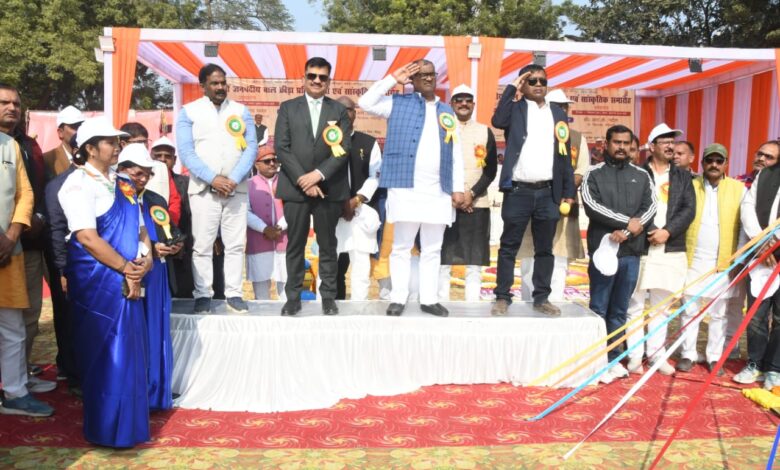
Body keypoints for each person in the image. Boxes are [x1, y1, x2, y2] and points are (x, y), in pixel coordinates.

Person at [58, 117, 153, 447]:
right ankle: (105, 428)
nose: (117, 146)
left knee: (130, 351)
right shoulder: (76, 185)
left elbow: (141, 228)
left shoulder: (124, 183)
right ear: (90, 148)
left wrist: (146, 259)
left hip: (129, 277)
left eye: (118, 141)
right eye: (110, 141)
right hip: (99, 281)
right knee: (105, 352)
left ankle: (130, 427)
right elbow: (87, 237)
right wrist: (126, 268)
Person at [359, 60, 464, 317]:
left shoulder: (446, 111)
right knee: (401, 247)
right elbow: (365, 102)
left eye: (431, 74)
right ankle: (398, 297)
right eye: (421, 75)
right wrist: (392, 79)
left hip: (438, 191)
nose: (427, 79)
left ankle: (429, 299)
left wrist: (458, 187)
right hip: (405, 188)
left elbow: (456, 152)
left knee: (432, 248)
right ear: (413, 80)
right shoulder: (396, 103)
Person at [490, 64, 575, 316]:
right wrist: (511, 88)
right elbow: (497, 120)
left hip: (548, 192)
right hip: (518, 191)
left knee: (545, 249)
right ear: (523, 84)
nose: (538, 85)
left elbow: (564, 155)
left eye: (542, 81)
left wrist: (568, 191)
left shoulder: (557, 113)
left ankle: (541, 298)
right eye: (532, 81)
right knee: (508, 246)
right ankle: (502, 296)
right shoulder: (515, 109)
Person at [177, 63, 257, 313]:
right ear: (203, 86)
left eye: (223, 82)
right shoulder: (189, 112)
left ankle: (234, 293)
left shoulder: (241, 111)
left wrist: (233, 178)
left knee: (235, 245)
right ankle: (203, 294)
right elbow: (186, 152)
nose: (220, 87)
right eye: (214, 83)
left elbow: (251, 149)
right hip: (204, 190)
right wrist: (213, 179)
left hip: (236, 189)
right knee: (202, 245)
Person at [275, 57, 351, 316]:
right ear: (304, 78)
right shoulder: (288, 108)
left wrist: (318, 175)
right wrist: (303, 180)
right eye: (312, 76)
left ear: (329, 81)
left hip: (328, 189)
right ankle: (293, 297)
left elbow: (343, 149)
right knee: (295, 244)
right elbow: (281, 147)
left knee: (328, 245)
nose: (317, 81)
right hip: (296, 188)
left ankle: (328, 297)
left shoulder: (338, 111)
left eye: (322, 77)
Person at [582, 125, 656, 383]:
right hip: (603, 252)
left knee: (619, 309)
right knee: (598, 308)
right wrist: (626, 224)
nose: (622, 147)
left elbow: (651, 207)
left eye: (626, 143)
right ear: (606, 144)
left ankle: (613, 359)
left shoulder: (642, 175)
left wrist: (627, 232)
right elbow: (592, 206)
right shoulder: (593, 174)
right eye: (617, 142)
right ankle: (595, 361)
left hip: (630, 252)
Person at [625, 123, 695, 375]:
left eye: (672, 141)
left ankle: (656, 355)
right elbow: (630, 206)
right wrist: (651, 229)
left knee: (661, 306)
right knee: (634, 305)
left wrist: (667, 231)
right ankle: (634, 356)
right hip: (640, 246)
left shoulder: (683, 176)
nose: (670, 145)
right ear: (651, 146)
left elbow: (689, 209)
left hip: (670, 246)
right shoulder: (636, 173)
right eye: (664, 141)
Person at [117, 143, 181, 411]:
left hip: (156, 275)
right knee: (131, 332)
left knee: (155, 331)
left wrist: (174, 245)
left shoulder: (155, 199)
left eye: (147, 173)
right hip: (127, 272)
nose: (142, 179)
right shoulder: (113, 197)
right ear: (121, 170)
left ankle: (156, 389)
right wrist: (149, 249)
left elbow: (172, 232)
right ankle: (131, 390)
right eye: (137, 173)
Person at [676, 143, 744, 376]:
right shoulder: (690, 185)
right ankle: (688, 354)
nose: (714, 165)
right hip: (692, 258)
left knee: (719, 313)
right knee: (689, 309)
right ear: (702, 163)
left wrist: (738, 259)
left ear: (726, 164)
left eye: (719, 161)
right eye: (709, 160)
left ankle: (715, 356)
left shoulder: (738, 189)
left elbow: (743, 226)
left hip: (723, 261)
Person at [0, 130, 54, 417]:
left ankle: (15, 392)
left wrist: (12, 233)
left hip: (8, 251)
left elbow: (25, 194)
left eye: (15, 106)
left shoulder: (9, 145)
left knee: (12, 327)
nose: (11, 109)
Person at [518, 89, 588, 303]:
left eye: (564, 107)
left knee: (559, 257)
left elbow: (580, 172)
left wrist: (563, 191)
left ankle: (555, 302)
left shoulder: (577, 138)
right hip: (535, 203)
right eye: (557, 106)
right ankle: (529, 303)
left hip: (564, 205)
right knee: (530, 255)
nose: (561, 110)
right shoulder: (533, 132)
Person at [438, 84, 497, 302]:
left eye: (468, 100)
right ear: (451, 104)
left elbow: (491, 170)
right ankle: (441, 303)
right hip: (446, 203)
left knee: (475, 261)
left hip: (477, 204)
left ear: (473, 104)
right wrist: (452, 196)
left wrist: (471, 193)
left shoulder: (484, 131)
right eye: (459, 100)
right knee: (443, 260)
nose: (463, 103)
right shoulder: (441, 129)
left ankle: (473, 307)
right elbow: (436, 165)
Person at [735, 152, 780, 388]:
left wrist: (776, 241)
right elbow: (747, 208)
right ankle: (755, 363)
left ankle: (775, 368)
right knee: (756, 315)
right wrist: (761, 240)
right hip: (761, 256)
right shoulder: (766, 174)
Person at [334, 96, 382, 301]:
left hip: (360, 212)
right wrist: (338, 204)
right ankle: (328, 308)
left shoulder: (368, 143)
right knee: (331, 266)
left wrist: (356, 201)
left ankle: (358, 309)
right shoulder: (322, 140)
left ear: (355, 113)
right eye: (339, 109)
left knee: (360, 266)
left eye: (349, 109)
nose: (344, 113)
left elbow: (375, 176)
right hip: (333, 213)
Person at [43, 135, 80, 387]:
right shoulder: (58, 185)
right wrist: (62, 270)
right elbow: (56, 231)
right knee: (67, 317)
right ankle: (71, 371)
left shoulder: (113, 182)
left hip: (104, 267)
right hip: (71, 264)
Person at [150, 137, 194, 298]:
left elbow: (190, 215)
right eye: (158, 156)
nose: (162, 159)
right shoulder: (144, 181)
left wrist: (180, 241)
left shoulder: (186, 183)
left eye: (167, 156)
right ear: (151, 157)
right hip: (154, 248)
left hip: (181, 250)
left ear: (175, 160)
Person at [246, 146, 288, 300]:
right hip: (258, 242)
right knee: (262, 294)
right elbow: (245, 212)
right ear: (257, 164)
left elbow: (292, 208)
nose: (272, 163)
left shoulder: (287, 181)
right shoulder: (249, 184)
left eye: (274, 160)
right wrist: (264, 229)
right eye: (267, 161)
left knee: (286, 291)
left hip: (284, 241)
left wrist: (279, 227)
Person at [43, 106, 84, 177]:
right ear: (60, 132)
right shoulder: (47, 159)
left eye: (81, 126)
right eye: (74, 127)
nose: (80, 131)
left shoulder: (91, 157)